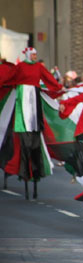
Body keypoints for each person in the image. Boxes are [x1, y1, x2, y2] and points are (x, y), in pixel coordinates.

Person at [2, 47, 63, 195]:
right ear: (28, 55)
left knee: (35, 127)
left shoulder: (38, 67)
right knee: (20, 128)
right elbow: (9, 77)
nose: (35, 57)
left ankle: (35, 168)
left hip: (34, 97)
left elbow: (48, 78)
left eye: (36, 54)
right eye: (34, 54)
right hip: (21, 97)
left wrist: (58, 88)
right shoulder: (20, 66)